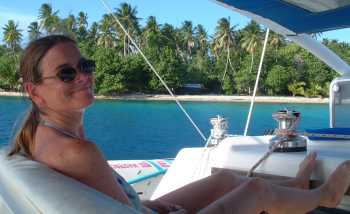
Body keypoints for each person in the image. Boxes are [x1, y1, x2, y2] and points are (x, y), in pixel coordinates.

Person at [8, 34, 350, 214]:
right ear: (34, 91)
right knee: (254, 189)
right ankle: (328, 195)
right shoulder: (78, 151)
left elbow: (115, 206)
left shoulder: (39, 135)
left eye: (85, 65)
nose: (84, 77)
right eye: (67, 73)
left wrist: (154, 205)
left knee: (225, 179)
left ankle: (297, 191)